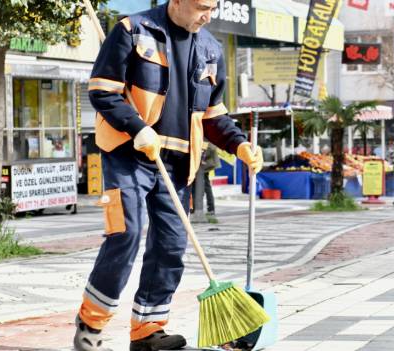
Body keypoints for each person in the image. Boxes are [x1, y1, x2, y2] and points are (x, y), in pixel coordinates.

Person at [74, 1, 263, 350]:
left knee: (172, 245)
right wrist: (136, 127)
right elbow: (102, 91)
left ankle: (148, 330)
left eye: (213, 8)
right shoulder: (132, 31)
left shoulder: (210, 48)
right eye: (202, 7)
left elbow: (212, 116)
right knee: (125, 234)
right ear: (176, 1)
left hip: (177, 163)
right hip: (127, 154)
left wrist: (238, 145)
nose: (207, 16)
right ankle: (91, 325)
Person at [195, 141, 219, 215]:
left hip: (205, 163)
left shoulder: (205, 136)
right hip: (205, 162)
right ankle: (208, 208)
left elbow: (209, 147)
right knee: (204, 186)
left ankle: (210, 209)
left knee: (205, 186)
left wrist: (202, 158)